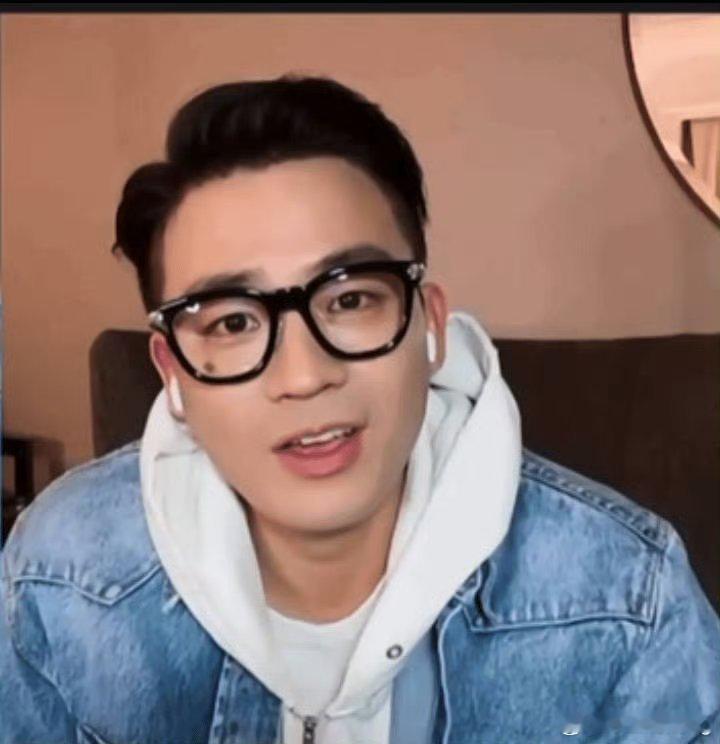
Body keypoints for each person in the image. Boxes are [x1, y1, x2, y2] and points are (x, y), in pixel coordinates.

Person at [1, 74, 719, 744]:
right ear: (172, 373)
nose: (305, 376)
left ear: (430, 325)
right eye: (233, 321)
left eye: (349, 300)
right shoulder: (62, 578)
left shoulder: (626, 598)